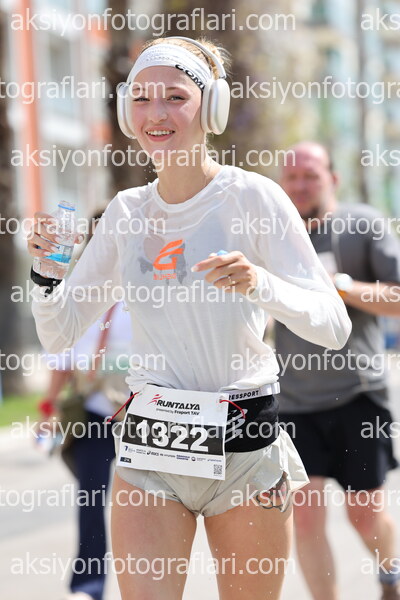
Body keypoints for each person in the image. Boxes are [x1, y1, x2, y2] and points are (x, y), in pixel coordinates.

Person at [28, 38, 351, 600]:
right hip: (151, 448)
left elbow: (333, 325)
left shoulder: (254, 198)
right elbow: (60, 334)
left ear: (213, 107)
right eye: (142, 97)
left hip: (245, 447)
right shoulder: (127, 214)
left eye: (175, 97)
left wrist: (261, 283)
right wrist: (45, 277)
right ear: (126, 110)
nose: (156, 113)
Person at [277, 141, 400, 600]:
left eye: (311, 175)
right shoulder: (274, 234)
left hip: (357, 394)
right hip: (292, 401)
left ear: (332, 178)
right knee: (305, 516)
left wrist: (340, 287)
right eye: (292, 177)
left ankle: (391, 576)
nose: (300, 185)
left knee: (364, 515)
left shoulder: (361, 225)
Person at [37, 212, 132, 600]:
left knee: (144, 505)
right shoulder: (78, 292)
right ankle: (89, 585)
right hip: (94, 412)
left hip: (140, 416)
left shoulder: (147, 289)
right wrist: (49, 411)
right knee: (91, 500)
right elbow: (61, 356)